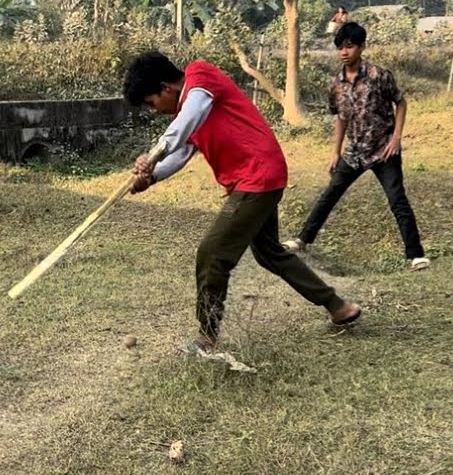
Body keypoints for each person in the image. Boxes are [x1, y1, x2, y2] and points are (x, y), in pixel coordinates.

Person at [123, 51, 362, 357]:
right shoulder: (185, 113)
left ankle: (206, 338)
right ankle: (338, 307)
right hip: (259, 176)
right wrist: (152, 176)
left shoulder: (200, 77)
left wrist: (154, 152)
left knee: (212, 253)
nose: (155, 111)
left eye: (151, 103)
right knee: (270, 253)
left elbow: (191, 115)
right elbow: (182, 153)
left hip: (256, 177)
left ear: (166, 87)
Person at [284, 22, 430, 271]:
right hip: (354, 152)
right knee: (329, 195)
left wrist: (396, 138)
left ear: (362, 47)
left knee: (397, 200)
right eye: (340, 47)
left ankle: (416, 255)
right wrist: (335, 151)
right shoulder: (336, 84)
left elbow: (401, 102)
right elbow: (341, 117)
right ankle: (303, 240)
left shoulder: (379, 75)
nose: (344, 52)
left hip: (384, 150)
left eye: (349, 46)